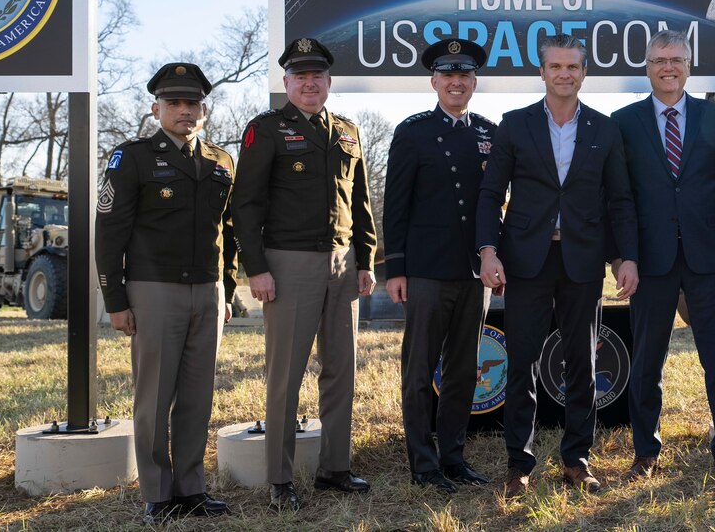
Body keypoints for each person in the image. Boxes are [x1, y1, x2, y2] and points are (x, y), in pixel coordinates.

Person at [476, 34, 639, 498]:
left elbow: (620, 200)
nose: (564, 74)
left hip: (583, 259)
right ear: (542, 72)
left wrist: (625, 257)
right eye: (556, 66)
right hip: (526, 259)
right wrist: (488, 251)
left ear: (584, 73)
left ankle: (577, 459)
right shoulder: (514, 126)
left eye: (573, 67)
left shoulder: (605, 131)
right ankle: (519, 465)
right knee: (522, 360)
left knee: (582, 363)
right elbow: (490, 195)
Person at [231, 37, 377, 511]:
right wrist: (256, 268)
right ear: (287, 82)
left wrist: (367, 260)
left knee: (341, 371)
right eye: (301, 76)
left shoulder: (349, 132)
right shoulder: (266, 129)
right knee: (285, 374)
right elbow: (244, 206)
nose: (310, 83)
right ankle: (280, 479)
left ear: (329, 82)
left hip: (342, 264)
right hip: (288, 264)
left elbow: (361, 203)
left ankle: (336, 467)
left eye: (318, 76)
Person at [95, 63, 236, 524]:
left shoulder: (221, 161)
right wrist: (115, 300)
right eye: (173, 103)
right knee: (154, 396)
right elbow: (109, 234)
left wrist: (228, 288)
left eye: (192, 103)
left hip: (208, 292)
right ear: (156, 108)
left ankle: (191, 487)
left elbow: (229, 232)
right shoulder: (130, 157)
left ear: (204, 110)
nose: (183, 111)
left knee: (198, 395)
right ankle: (157, 492)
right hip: (153, 290)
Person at [612, 30, 715, 485]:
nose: (667, 67)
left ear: (688, 66)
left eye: (675, 59)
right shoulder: (624, 122)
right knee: (646, 362)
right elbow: (621, 199)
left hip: (710, 257)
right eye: (658, 60)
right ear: (646, 66)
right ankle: (645, 454)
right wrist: (624, 257)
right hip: (649, 261)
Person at [383, 38, 497, 494]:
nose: (456, 82)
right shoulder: (411, 132)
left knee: (463, 369)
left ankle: (453, 457)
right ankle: (423, 463)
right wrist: (396, 268)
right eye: (448, 75)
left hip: (472, 273)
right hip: (427, 271)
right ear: (434, 81)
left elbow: (495, 204)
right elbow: (396, 205)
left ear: (474, 82)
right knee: (419, 369)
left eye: (464, 75)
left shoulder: (489, 133)